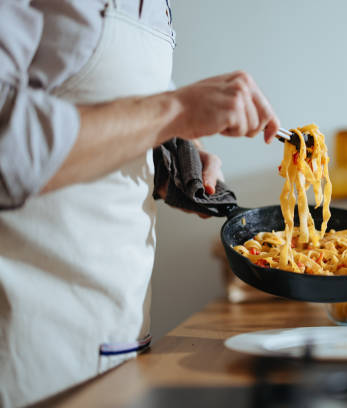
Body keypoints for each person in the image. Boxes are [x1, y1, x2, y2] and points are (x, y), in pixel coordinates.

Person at [0, 1, 280, 406]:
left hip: (121, 338)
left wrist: (172, 162)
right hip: (26, 348)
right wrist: (177, 109)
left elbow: (116, 114)